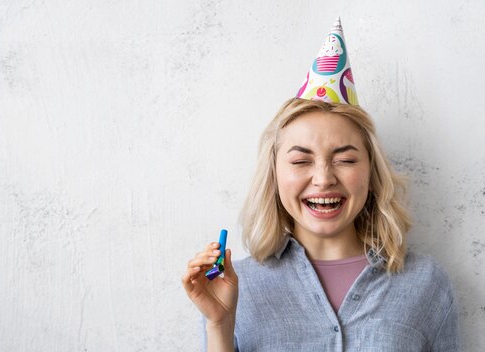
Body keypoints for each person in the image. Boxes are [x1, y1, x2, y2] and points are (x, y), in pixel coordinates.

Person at [181, 19, 460, 352]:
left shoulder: (427, 283)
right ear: (275, 175)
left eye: (345, 159)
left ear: (371, 173)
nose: (324, 178)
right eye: (301, 161)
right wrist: (219, 325)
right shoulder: (234, 287)